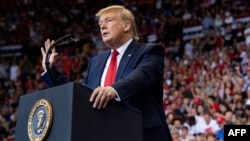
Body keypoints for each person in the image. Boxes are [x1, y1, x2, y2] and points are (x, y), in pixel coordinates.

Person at [40, 5, 172, 141]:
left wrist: (113, 90)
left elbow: (143, 76)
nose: (102, 26)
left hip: (142, 134)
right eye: (100, 24)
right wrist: (50, 70)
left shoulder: (150, 51)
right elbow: (83, 95)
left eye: (108, 20)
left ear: (126, 25)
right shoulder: (96, 62)